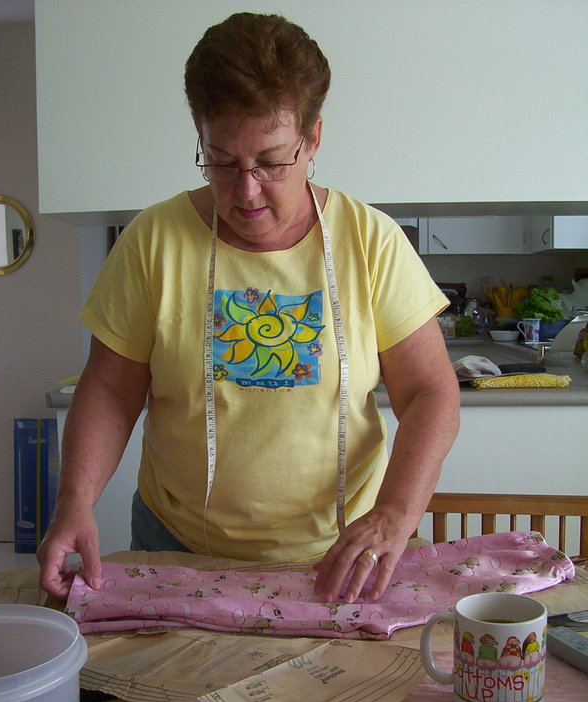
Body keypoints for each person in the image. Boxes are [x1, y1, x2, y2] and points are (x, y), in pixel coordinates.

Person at [37, 12, 460, 605]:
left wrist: (395, 512)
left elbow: (431, 392)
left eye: (271, 161)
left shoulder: (372, 242)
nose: (247, 190)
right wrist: (73, 502)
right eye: (222, 161)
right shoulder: (153, 241)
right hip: (177, 546)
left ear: (313, 139)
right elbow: (110, 389)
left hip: (339, 554)